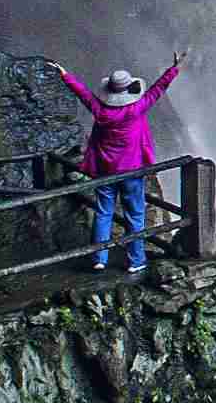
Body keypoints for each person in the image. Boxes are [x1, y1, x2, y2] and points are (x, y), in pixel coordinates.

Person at [44, 48, 188, 273]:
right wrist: (175, 68)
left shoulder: (100, 111)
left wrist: (65, 75)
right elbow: (158, 89)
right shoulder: (137, 109)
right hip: (131, 172)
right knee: (135, 216)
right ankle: (136, 261)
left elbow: (82, 93)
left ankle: (99, 258)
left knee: (103, 214)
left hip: (105, 171)